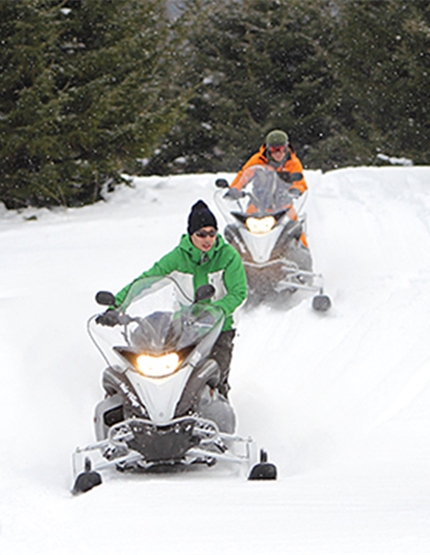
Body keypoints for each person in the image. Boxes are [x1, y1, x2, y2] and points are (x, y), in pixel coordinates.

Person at [97, 200, 247, 399]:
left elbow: (238, 292)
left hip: (220, 327)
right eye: (201, 234)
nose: (207, 239)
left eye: (212, 233)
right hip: (185, 324)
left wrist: (213, 311)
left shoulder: (228, 256)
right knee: (163, 371)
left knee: (216, 376)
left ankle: (219, 411)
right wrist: (117, 305)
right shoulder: (177, 258)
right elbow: (145, 282)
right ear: (191, 234)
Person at [228, 129, 309, 247]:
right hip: (258, 202)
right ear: (268, 148)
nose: (278, 153)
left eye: (281, 149)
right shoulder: (258, 160)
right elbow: (244, 175)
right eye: (273, 149)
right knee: (243, 228)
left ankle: (303, 252)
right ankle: (242, 254)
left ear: (286, 147)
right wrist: (235, 189)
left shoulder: (293, 163)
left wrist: (295, 190)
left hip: (283, 204)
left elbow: (300, 182)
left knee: (294, 226)